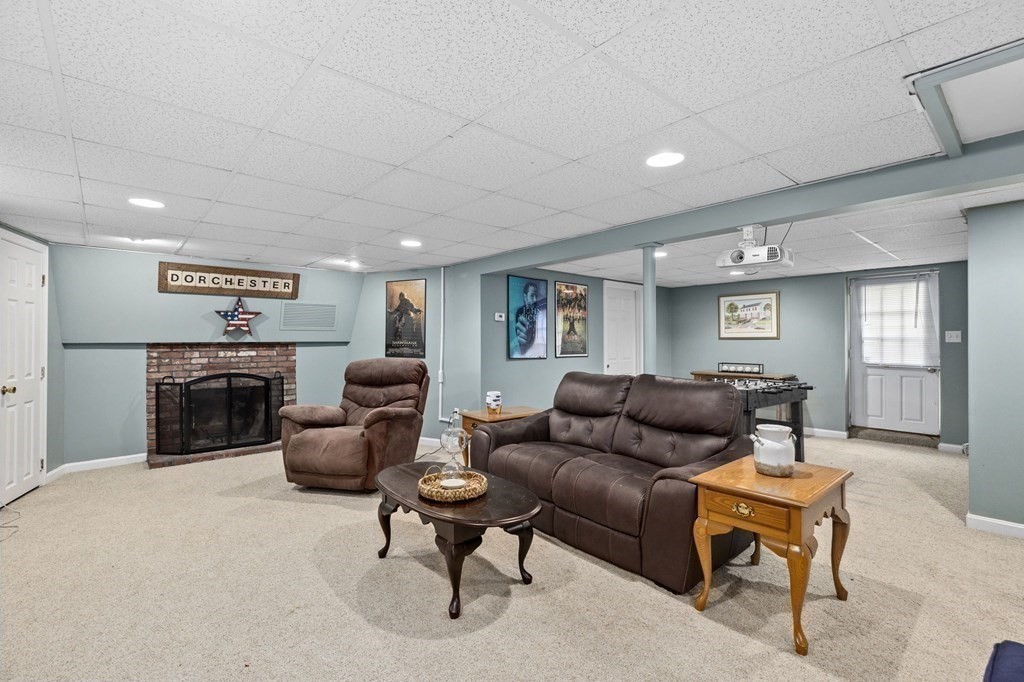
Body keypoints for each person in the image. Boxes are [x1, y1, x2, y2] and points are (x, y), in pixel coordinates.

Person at [514, 281, 539, 355]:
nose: (535, 299)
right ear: (525, 297)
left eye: (536, 296)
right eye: (532, 295)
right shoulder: (521, 312)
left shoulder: (539, 311)